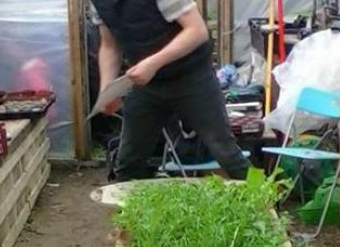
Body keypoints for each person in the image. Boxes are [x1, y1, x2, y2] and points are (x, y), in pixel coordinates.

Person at [90, 0, 250, 181]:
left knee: (226, 153)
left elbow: (197, 31)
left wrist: (152, 63)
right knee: (128, 164)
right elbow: (110, 45)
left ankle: (263, 204)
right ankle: (127, 209)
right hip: (148, 85)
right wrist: (107, 89)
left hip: (192, 78)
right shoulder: (98, 3)